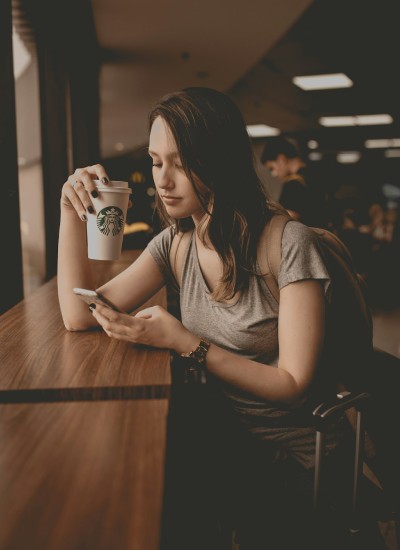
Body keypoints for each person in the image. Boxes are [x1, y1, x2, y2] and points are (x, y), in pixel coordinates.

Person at [58, 88, 355, 549]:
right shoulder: (175, 243)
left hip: (294, 454)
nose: (164, 180)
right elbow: (80, 313)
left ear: (221, 160)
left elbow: (293, 383)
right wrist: (69, 213)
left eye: (182, 162)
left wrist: (185, 342)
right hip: (225, 437)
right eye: (157, 162)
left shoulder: (289, 244)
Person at [260, 136, 328, 228]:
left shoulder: (293, 184)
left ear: (281, 159)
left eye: (272, 168)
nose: (274, 174)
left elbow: (287, 220)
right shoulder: (316, 174)